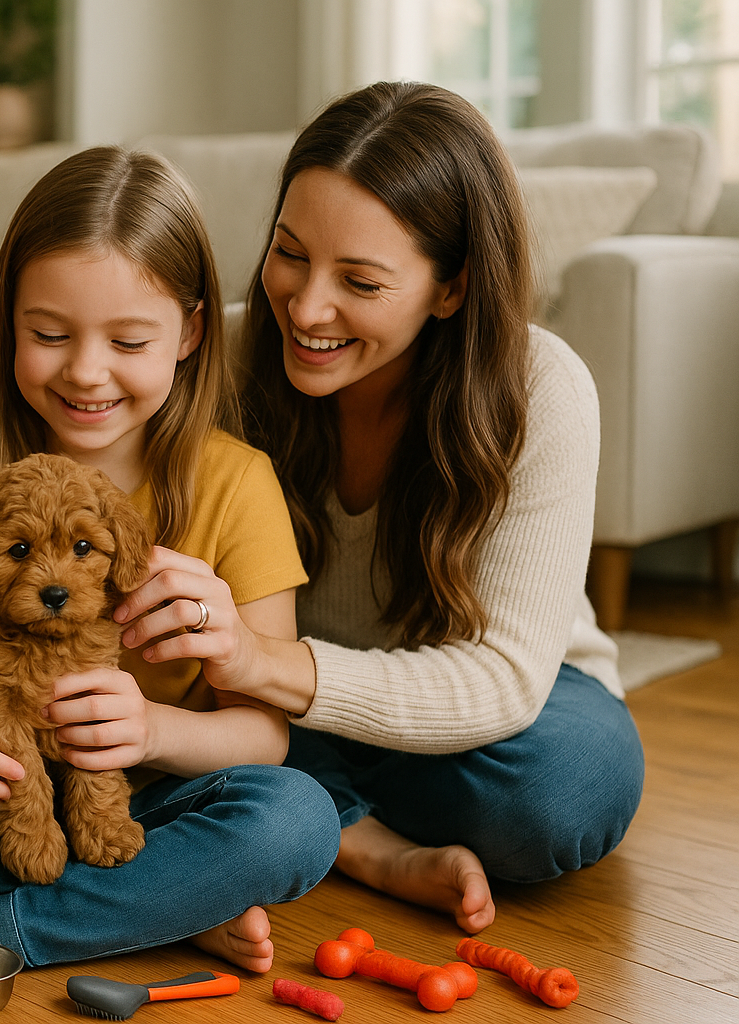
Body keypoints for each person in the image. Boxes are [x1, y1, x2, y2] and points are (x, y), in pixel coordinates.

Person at [0, 146, 342, 983]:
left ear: (191, 332)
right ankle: (163, 906)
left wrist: (152, 730)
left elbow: (263, 736)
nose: (87, 372)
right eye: (49, 334)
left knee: (297, 819)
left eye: (128, 340)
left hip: (152, 797)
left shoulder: (237, 483)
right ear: (7, 323)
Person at [188, 81, 643, 936]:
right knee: (157, 720)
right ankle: (361, 841)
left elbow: (504, 678)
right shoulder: (223, 360)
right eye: (290, 253)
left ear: (451, 288)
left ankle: (300, 808)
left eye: (359, 280)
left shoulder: (541, 389)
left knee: (568, 783)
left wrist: (259, 664)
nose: (306, 307)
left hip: (480, 712)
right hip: (270, 711)